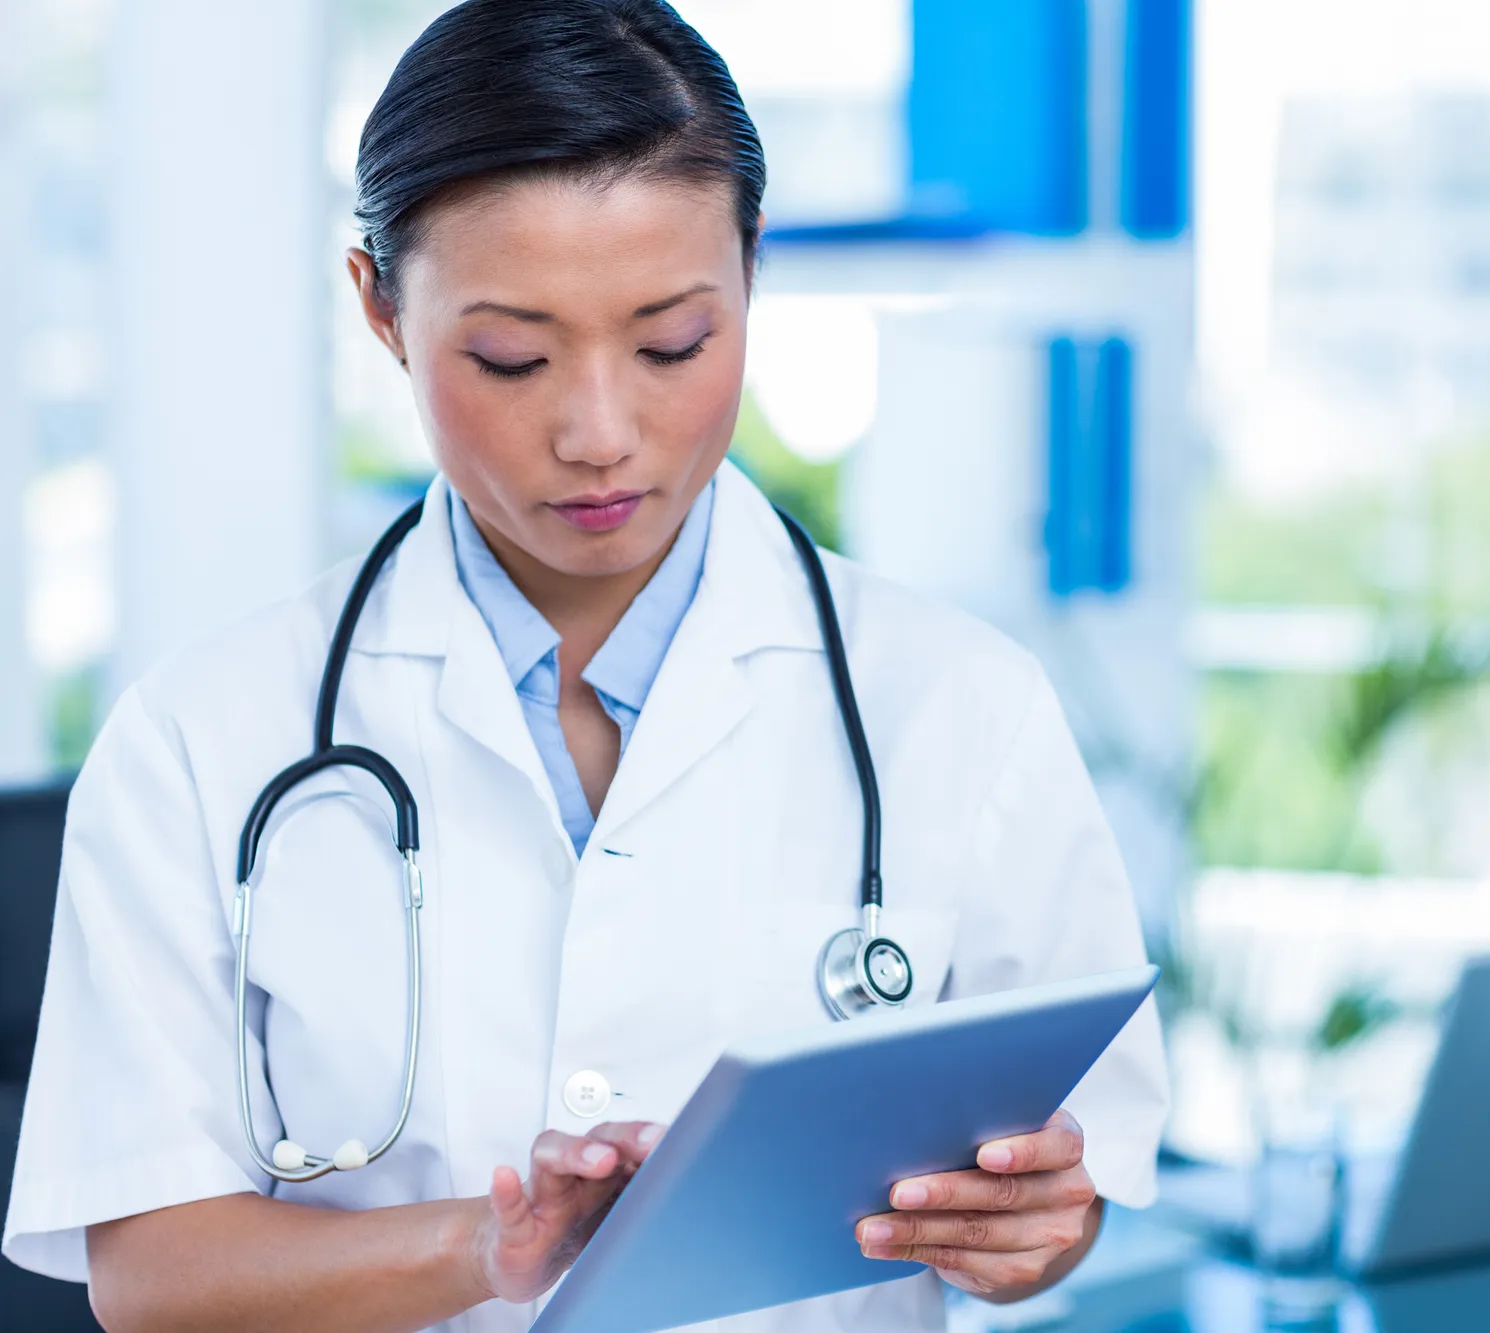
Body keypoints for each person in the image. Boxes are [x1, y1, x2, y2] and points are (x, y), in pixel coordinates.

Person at [0, 2, 1168, 1329]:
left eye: (674, 341)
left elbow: (1075, 1180)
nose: (601, 432)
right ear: (379, 304)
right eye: (511, 357)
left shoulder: (963, 706)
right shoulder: (200, 741)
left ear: (751, 276)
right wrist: (485, 1249)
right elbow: (147, 1277)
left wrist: (1030, 1225)